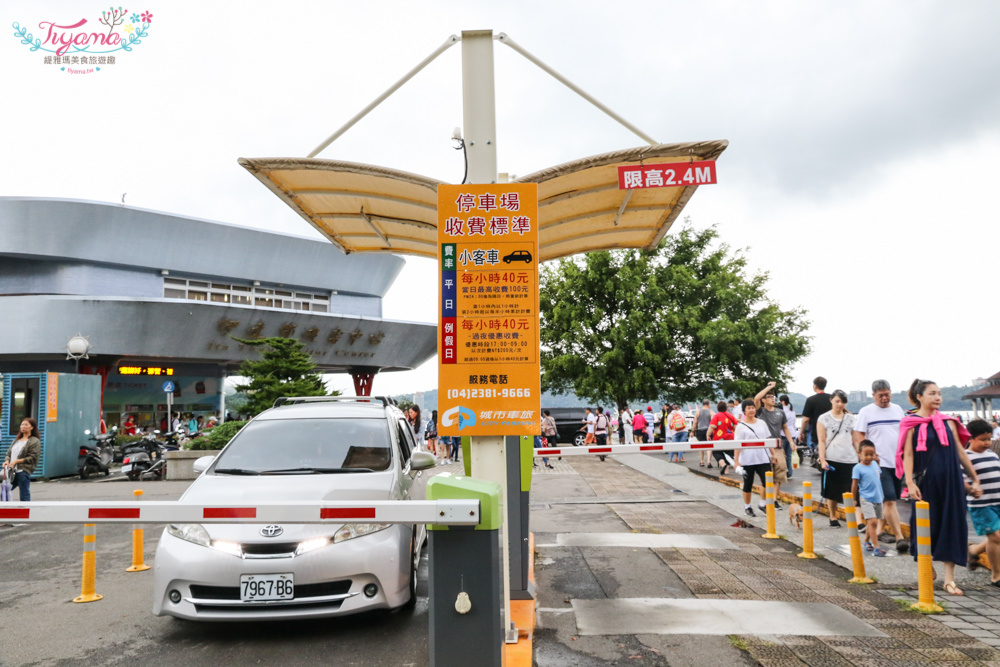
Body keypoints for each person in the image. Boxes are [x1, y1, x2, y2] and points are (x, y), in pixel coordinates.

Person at [899, 379, 981, 596]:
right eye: (932, 394)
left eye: (940, 394)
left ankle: (949, 580)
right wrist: (909, 482)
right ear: (920, 397)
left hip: (952, 481)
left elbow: (961, 452)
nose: (938, 398)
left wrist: (974, 478)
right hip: (926, 483)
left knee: (952, 524)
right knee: (924, 525)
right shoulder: (911, 422)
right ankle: (927, 567)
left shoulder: (949, 422)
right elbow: (907, 454)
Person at [852, 379, 908, 554]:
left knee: (891, 500)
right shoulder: (866, 412)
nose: (885, 398)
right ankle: (900, 537)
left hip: (897, 462)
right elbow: (859, 434)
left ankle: (879, 531)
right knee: (889, 500)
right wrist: (869, 455)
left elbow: (904, 432)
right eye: (881, 395)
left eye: (887, 394)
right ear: (873, 395)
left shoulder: (898, 409)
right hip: (878, 464)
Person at [963, 420, 1000, 585]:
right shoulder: (966, 457)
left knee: (997, 537)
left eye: (989, 439)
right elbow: (962, 480)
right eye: (983, 439)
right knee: (997, 537)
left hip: (998, 501)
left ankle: (974, 550)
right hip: (981, 505)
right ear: (971, 438)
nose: (987, 443)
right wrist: (971, 489)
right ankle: (996, 576)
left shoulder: (992, 454)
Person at [817, 389, 858, 527]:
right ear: (831, 400)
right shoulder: (824, 418)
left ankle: (853, 518)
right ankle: (833, 516)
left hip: (850, 458)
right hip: (832, 458)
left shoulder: (851, 418)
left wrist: (861, 456)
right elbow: (821, 440)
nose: (840, 404)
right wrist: (822, 459)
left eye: (843, 401)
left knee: (851, 490)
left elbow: (855, 439)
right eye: (837, 401)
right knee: (832, 490)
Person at [752, 382, 797, 497]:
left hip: (778, 447)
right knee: (766, 478)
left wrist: (791, 442)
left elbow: (785, 428)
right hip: (765, 448)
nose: (773, 399)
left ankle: (775, 500)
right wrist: (770, 387)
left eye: (773, 397)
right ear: (764, 400)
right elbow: (756, 398)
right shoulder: (761, 411)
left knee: (779, 477)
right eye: (769, 397)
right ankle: (765, 502)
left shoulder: (780, 412)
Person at [732, 400, 772, 517]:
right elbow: (737, 445)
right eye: (749, 408)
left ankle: (763, 503)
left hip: (763, 458)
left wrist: (773, 454)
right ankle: (747, 507)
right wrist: (736, 461)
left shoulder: (762, 423)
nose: (751, 410)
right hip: (748, 460)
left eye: (753, 408)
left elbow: (767, 440)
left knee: (767, 482)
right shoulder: (740, 426)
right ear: (744, 411)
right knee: (748, 484)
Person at [851, 440, 887, 556]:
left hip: (878, 498)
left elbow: (876, 477)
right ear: (859, 453)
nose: (869, 457)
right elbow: (855, 484)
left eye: (872, 454)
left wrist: (878, 462)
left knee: (872, 523)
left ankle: (866, 541)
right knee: (873, 522)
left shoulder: (875, 464)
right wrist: (853, 498)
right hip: (866, 499)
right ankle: (876, 547)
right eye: (866, 454)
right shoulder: (857, 468)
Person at [3, 417, 41, 501]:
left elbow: (33, 457)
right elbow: (8, 453)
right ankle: (4, 510)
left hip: (23, 471)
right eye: (22, 424)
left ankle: (25, 510)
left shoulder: (34, 441)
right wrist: (7, 461)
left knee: (24, 493)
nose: (23, 426)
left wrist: (16, 461)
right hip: (12, 471)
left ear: (32, 427)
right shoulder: (16, 440)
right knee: (4, 492)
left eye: (26, 425)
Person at [799, 376, 832, 455]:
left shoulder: (811, 400)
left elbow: (805, 420)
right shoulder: (832, 398)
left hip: (816, 433)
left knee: (818, 456)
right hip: (831, 431)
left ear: (815, 386)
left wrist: (801, 432)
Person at [709, 401, 738, 475]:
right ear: (726, 407)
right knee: (728, 453)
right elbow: (736, 427)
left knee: (716, 452)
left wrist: (708, 435)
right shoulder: (730, 416)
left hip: (719, 438)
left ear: (718, 408)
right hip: (730, 438)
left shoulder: (716, 416)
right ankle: (727, 470)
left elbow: (713, 426)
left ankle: (723, 465)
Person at [779, 394, 799, 472]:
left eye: (780, 401)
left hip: (783, 434)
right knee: (789, 455)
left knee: (782, 455)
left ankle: (783, 471)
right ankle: (790, 472)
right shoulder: (792, 410)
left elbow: (782, 424)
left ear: (783, 402)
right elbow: (794, 424)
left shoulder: (781, 411)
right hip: (793, 434)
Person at [694, 400, 713, 467]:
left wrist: (693, 431)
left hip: (700, 430)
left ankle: (702, 461)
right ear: (708, 404)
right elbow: (713, 422)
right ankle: (709, 462)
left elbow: (695, 422)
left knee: (701, 446)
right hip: (709, 430)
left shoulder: (698, 412)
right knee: (709, 446)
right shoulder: (711, 412)